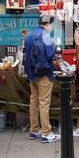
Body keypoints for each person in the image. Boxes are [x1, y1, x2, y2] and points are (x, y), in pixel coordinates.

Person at [24, 16, 60, 144]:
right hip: (45, 73)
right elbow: (50, 55)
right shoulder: (46, 36)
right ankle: (46, 133)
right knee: (44, 103)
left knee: (34, 101)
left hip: (32, 73)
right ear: (48, 24)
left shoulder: (28, 35)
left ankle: (34, 130)